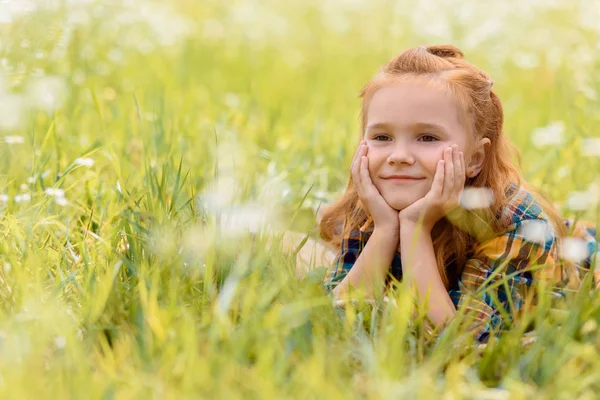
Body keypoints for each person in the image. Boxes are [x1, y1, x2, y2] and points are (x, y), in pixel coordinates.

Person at [318, 44, 598, 342]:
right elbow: (336, 320)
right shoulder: (372, 203)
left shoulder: (518, 224)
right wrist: (386, 229)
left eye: (427, 137)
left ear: (474, 159)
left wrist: (415, 228)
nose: (398, 155)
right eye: (382, 137)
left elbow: (464, 340)